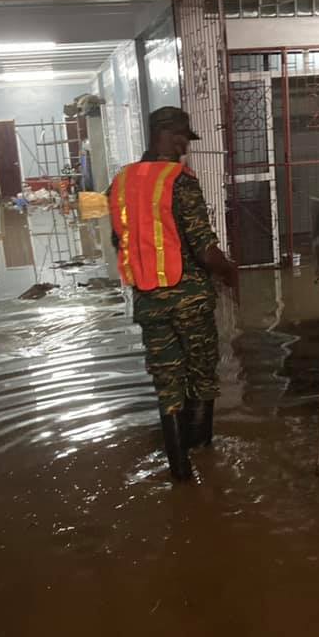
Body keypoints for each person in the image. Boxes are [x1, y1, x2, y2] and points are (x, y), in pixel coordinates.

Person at [108, 106, 237, 481]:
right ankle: (204, 452)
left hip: (148, 300)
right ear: (167, 133)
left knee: (167, 382)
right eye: (182, 137)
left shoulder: (121, 181)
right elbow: (203, 248)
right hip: (190, 299)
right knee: (202, 374)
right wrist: (230, 272)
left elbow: (120, 239)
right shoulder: (179, 180)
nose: (185, 146)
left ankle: (181, 472)